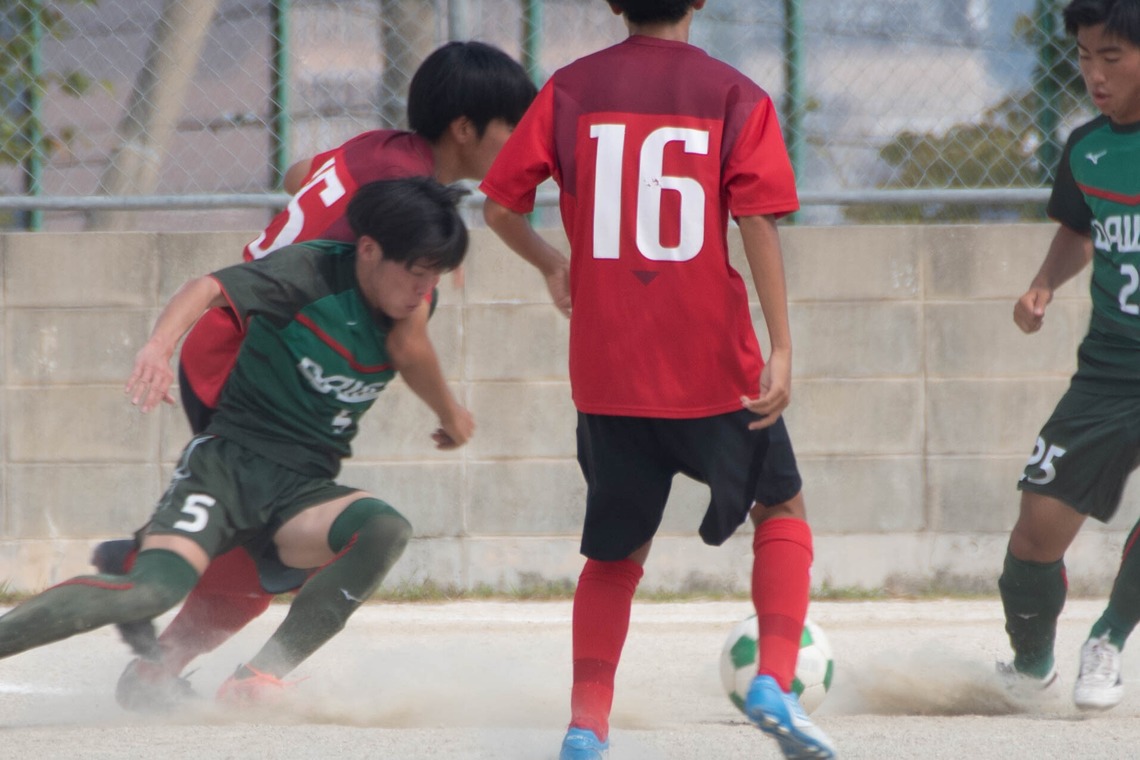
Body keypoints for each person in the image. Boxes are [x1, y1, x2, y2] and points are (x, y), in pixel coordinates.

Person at [90, 40, 536, 711]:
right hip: (246, 361)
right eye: (513, 128)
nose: (522, 142)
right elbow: (409, 346)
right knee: (275, 548)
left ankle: (158, 654)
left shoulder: (382, 152)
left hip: (231, 347)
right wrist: (451, 413)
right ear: (466, 130)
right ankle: (148, 582)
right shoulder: (402, 187)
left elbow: (305, 172)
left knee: (265, 547)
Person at [480, 2, 835, 758]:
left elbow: (500, 206)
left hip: (607, 368)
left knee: (614, 555)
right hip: (711, 364)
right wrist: (782, 345)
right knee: (782, 504)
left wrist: (553, 264)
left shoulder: (571, 89)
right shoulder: (735, 94)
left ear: (612, 3)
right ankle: (774, 679)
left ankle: (586, 726)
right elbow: (758, 221)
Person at [0, 177, 471, 702]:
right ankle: (136, 573)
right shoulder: (309, 272)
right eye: (416, 273)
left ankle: (253, 676)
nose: (424, 289)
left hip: (301, 490)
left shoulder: (411, 306)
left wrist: (450, 414)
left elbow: (412, 351)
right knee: (153, 592)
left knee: (383, 529)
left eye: (436, 276)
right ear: (368, 250)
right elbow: (206, 288)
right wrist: (157, 348)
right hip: (225, 468)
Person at [998, 0, 1140, 713]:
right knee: (1033, 536)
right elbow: (1080, 231)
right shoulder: (1087, 147)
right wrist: (1043, 284)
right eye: (1085, 57)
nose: (1094, 74)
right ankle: (1030, 666)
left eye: (1111, 57)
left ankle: (1109, 639)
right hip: (1109, 371)